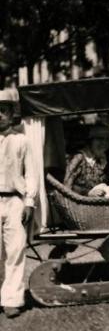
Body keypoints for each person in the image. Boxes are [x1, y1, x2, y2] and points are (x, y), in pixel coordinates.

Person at [0, 89, 37, 318]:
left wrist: (29, 201)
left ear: (12, 113)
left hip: (15, 200)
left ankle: (12, 298)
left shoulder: (22, 141)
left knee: (15, 250)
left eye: (3, 110)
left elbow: (31, 173)